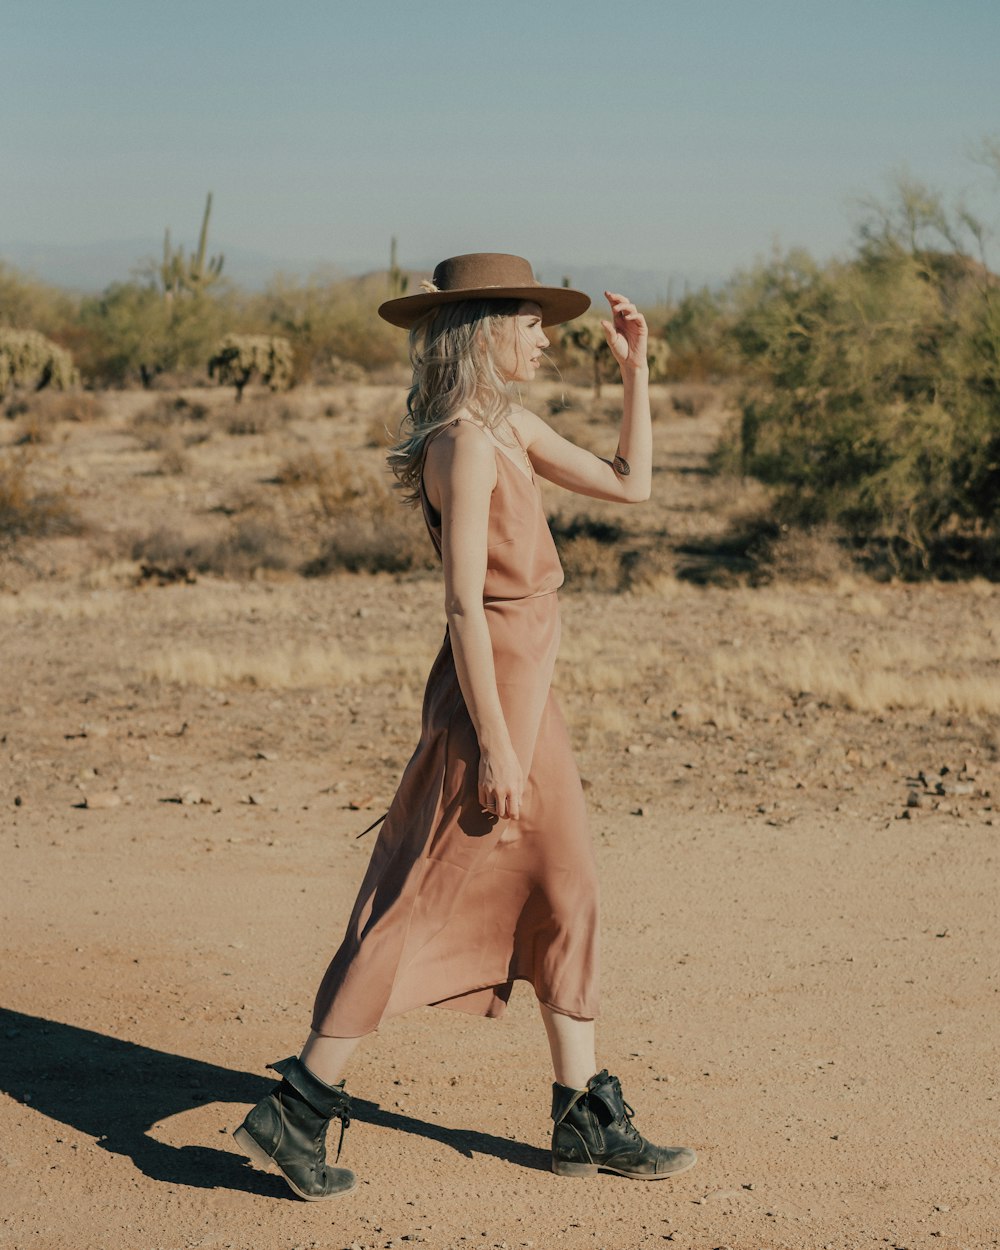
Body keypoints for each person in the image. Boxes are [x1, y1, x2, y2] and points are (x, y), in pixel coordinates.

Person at [232, 253, 696, 1200]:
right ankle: (299, 1106)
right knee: (417, 899)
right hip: (489, 699)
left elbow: (631, 485)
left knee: (569, 889)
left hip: (532, 696)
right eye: (530, 322)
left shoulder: (508, 426)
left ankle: (585, 1116)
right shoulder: (467, 444)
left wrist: (637, 372)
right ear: (483, 329)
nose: (544, 337)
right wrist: (493, 742)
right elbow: (462, 607)